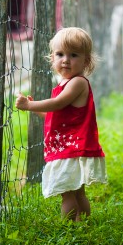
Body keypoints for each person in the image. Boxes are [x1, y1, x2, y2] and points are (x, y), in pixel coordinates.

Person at [15, 26, 107, 221]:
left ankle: (69, 229)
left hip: (70, 148)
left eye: (73, 55)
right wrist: (38, 110)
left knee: (68, 194)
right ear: (52, 58)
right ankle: (83, 225)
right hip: (71, 147)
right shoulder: (64, 84)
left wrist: (30, 105)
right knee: (76, 192)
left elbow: (57, 104)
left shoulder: (77, 83)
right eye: (60, 54)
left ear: (86, 61)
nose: (65, 60)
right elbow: (55, 115)